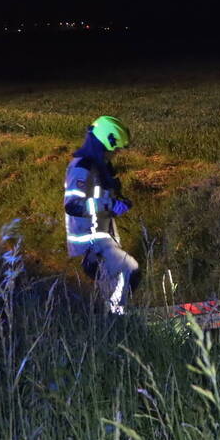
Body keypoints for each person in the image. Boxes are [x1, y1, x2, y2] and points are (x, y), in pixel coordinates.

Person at [63, 115, 140, 314]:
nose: (116, 153)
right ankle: (116, 319)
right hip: (90, 242)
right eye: (115, 149)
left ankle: (114, 321)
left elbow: (99, 197)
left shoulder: (98, 166)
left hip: (103, 237)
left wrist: (119, 201)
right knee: (128, 271)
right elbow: (73, 205)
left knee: (116, 285)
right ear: (105, 143)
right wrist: (110, 203)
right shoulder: (82, 168)